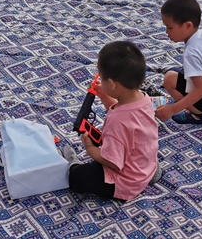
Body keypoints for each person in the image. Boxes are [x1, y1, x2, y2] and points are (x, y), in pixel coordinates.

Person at [63, 41, 160, 200]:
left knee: (77, 178)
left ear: (113, 84)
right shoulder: (143, 99)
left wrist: (89, 148)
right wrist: (104, 95)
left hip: (124, 181)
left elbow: (112, 162)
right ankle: (150, 172)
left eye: (101, 77)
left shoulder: (117, 121)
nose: (99, 79)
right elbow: (120, 109)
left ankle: (73, 162)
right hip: (144, 164)